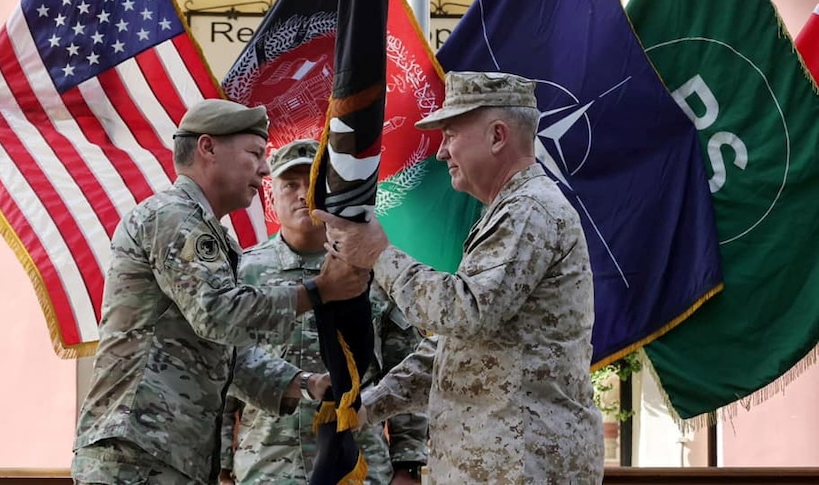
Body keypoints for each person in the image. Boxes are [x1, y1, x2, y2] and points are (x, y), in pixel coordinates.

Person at [315, 71, 605, 483]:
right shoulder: (511, 211)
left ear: (498, 136)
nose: (441, 153)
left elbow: (464, 313)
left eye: (450, 135)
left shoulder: (529, 212)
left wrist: (378, 254)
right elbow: (455, 346)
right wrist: (370, 405)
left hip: (521, 467)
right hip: (498, 465)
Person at [71, 100, 370, 485]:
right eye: (254, 154)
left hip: (162, 451)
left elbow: (220, 350)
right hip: (137, 453)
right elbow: (217, 314)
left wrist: (304, 384)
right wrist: (316, 291)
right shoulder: (174, 217)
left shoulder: (201, 228)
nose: (264, 169)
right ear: (208, 148)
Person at [217, 139, 428, 485]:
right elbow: (223, 372)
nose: (303, 195)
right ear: (272, 198)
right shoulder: (242, 274)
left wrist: (408, 464)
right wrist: (221, 468)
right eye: (290, 185)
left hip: (358, 465)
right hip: (268, 468)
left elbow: (404, 366)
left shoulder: (374, 269)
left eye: (313, 185)